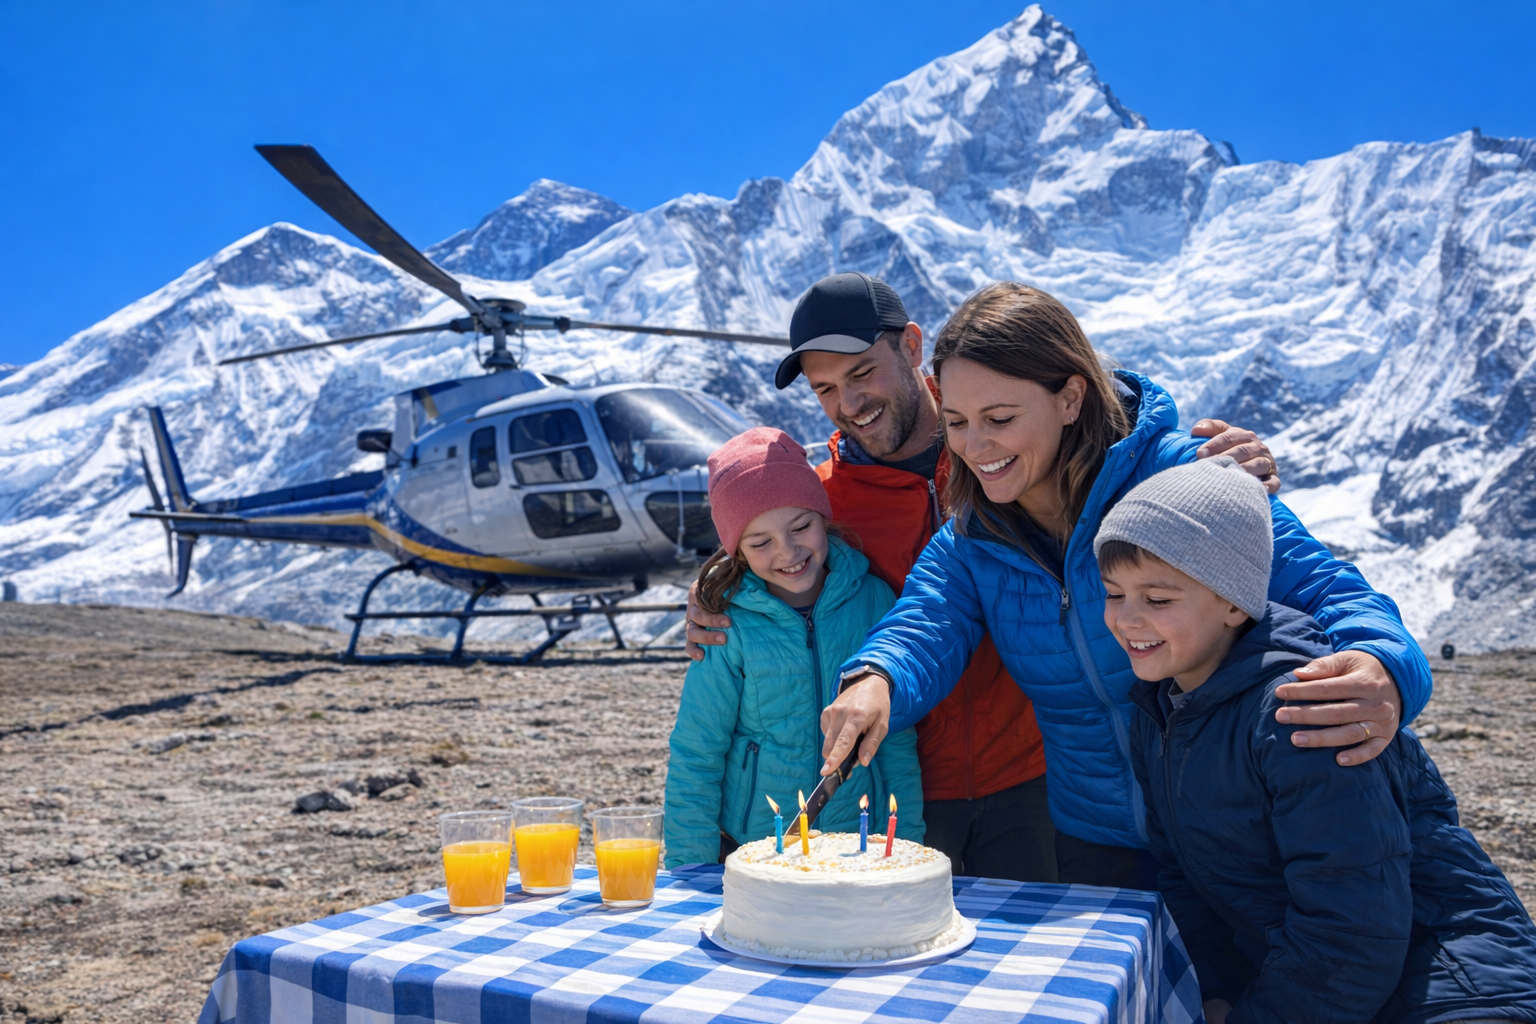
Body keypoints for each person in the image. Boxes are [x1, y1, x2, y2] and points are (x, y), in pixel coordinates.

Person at [822, 281, 1432, 889]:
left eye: (1000, 419)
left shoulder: (1182, 478)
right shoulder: (972, 540)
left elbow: (1324, 586)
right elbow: (923, 625)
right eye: (955, 423)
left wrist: (1384, 665)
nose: (975, 448)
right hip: (1096, 842)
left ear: (1070, 399)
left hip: (1236, 829)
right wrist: (875, 680)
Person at [688, 272, 1280, 883]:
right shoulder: (831, 507)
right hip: (927, 786)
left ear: (913, 348)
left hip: (1055, 785)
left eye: (863, 373)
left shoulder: (1029, 466)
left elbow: (1312, 586)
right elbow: (917, 614)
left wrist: (1378, 663)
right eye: (825, 390)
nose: (850, 402)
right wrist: (722, 592)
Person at [1097, 457, 1536, 1023]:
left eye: (1157, 600)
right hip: (1331, 987)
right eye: (1113, 594)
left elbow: (1354, 930)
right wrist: (1215, 992)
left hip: (1450, 985)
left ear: (1234, 602)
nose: (1128, 620)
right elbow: (1186, 876)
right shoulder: (1160, 712)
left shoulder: (1303, 710)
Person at [663, 426, 923, 866]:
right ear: (737, 552)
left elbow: (895, 741)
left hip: (857, 848)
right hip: (756, 851)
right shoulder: (727, 625)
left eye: (801, 525)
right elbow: (697, 751)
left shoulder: (874, 601)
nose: (787, 551)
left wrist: (908, 847)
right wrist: (691, 871)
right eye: (760, 542)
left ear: (824, 517)